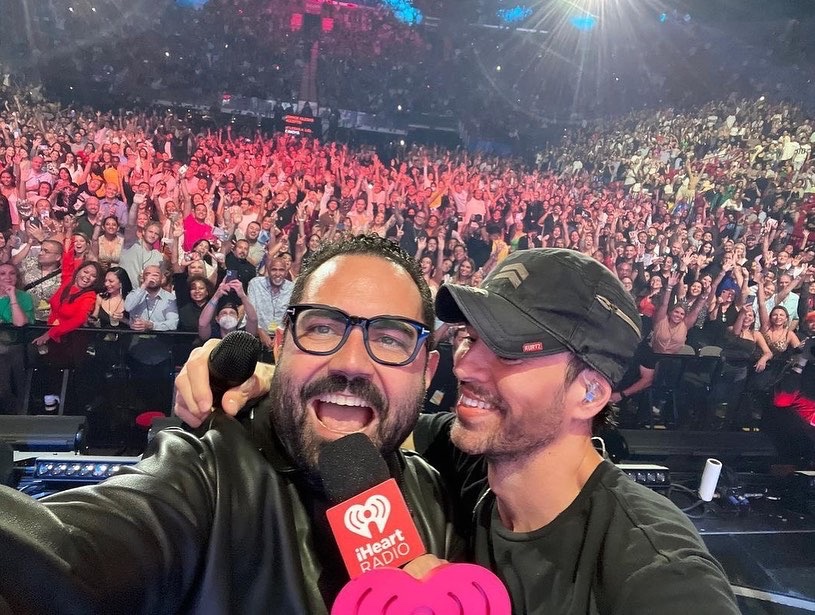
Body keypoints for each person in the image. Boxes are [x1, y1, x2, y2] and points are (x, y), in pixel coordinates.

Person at [173, 247, 740, 614]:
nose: (466, 365)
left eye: (509, 351)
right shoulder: (474, 461)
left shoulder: (654, 566)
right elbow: (372, 416)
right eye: (470, 337)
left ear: (589, 393)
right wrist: (282, 378)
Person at [0, 234, 459, 613]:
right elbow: (66, 559)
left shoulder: (453, 497)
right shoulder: (207, 474)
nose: (352, 363)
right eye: (322, 328)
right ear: (280, 346)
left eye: (390, 338)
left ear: (427, 370)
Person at [0, 262, 35, 414]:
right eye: (2, 274)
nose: (7, 277)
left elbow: (19, 323)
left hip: (15, 346)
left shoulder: (24, 297)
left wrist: (12, 296)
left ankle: (17, 414)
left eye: (12, 273)